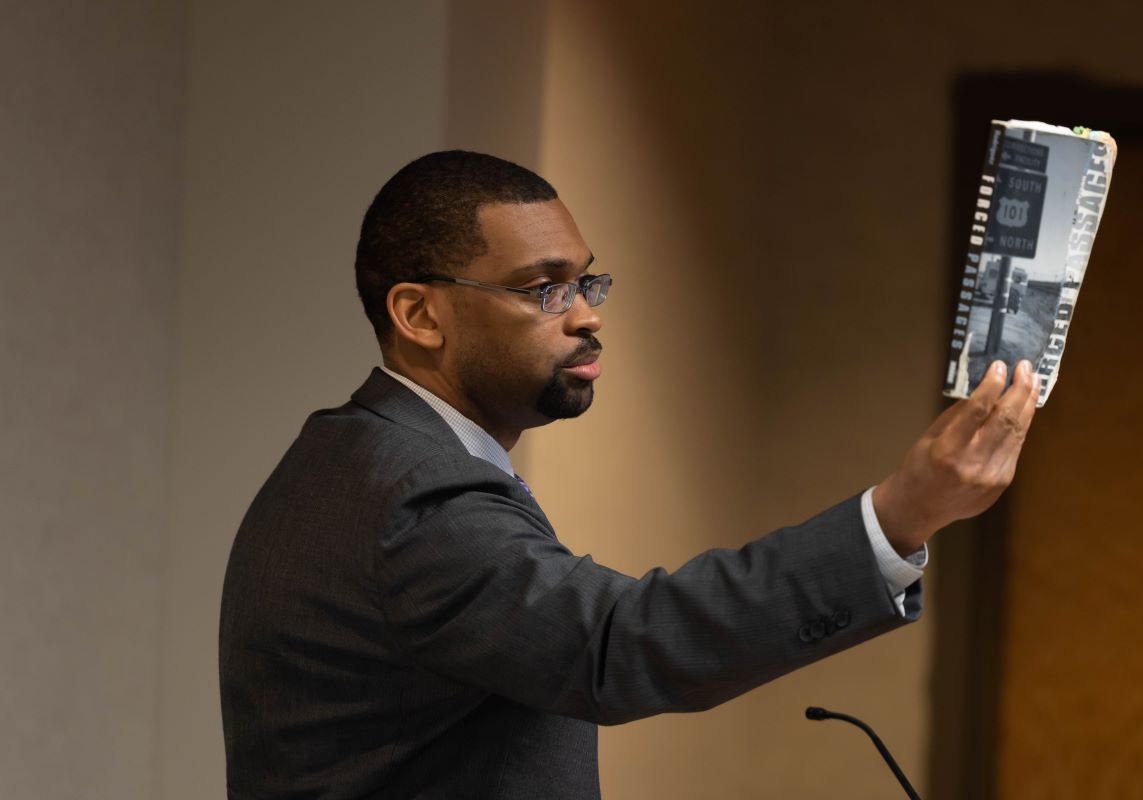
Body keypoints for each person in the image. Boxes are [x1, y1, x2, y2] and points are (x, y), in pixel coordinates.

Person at [219, 151, 1039, 799]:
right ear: (419, 314)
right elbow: (616, 643)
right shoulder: (410, 496)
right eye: (543, 289)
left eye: (585, 280)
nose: (586, 313)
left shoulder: (357, 458)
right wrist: (898, 515)